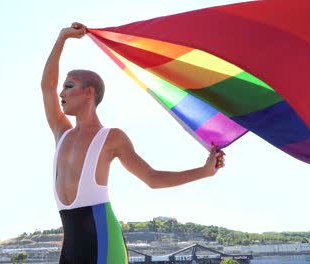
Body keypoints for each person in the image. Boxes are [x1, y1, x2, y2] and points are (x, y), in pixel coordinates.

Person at [41, 22, 225, 264]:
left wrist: (204, 172)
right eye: (63, 87)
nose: (62, 93)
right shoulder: (61, 132)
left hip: (104, 243)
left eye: (70, 86)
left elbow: (152, 178)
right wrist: (61, 39)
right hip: (71, 246)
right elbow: (47, 87)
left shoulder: (111, 138)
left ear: (89, 93)